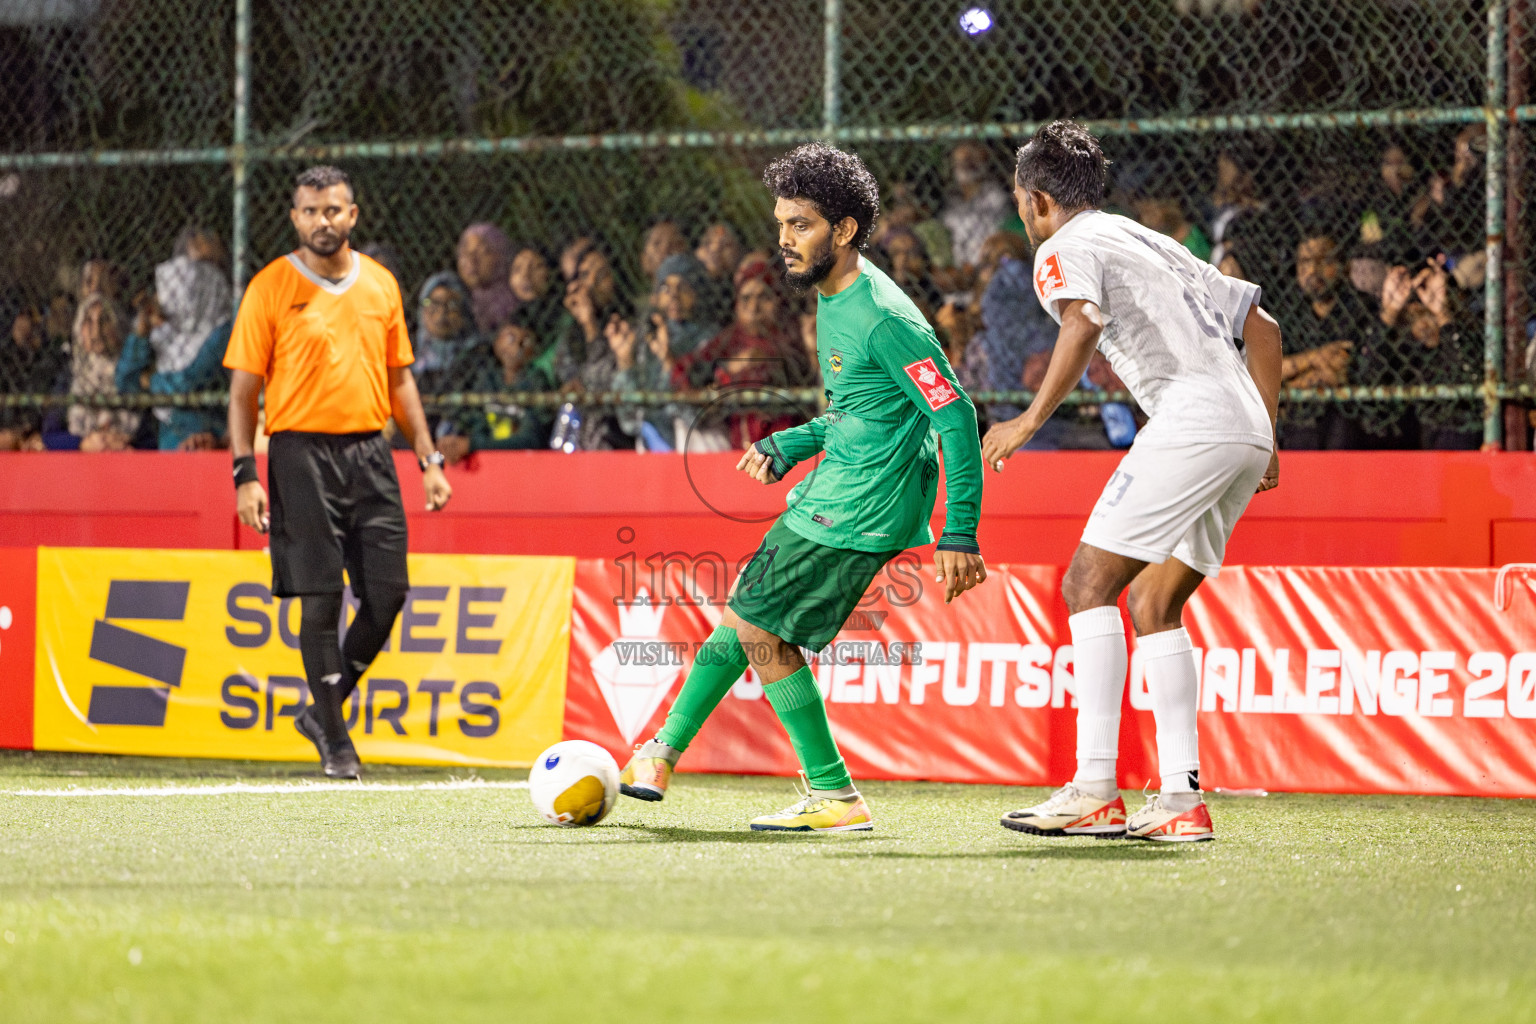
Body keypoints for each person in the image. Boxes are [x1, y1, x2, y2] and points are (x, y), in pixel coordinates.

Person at [618, 142, 988, 832]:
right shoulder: (834, 296)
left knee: (754, 629)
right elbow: (864, 410)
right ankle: (673, 757)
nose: (784, 240)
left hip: (857, 509)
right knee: (750, 626)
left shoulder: (882, 316)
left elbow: (957, 414)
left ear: (844, 231)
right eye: (782, 223)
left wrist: (961, 528)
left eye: (802, 225)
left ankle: (701, 762)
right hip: (836, 494)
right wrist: (793, 441)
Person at [982, 120, 1282, 843]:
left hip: (1192, 419)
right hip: (1241, 423)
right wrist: (1267, 436)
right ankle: (1181, 800)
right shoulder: (1150, 239)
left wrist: (1026, 421)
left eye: (1022, 202)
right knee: (1152, 600)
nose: (1023, 215)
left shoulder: (1063, 247)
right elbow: (1264, 325)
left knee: (1087, 584)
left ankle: (1093, 787)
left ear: (1039, 199)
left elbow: (1081, 322)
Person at [224, 165, 452, 779]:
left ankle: (322, 711)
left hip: (370, 455)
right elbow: (244, 391)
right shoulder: (271, 286)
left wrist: (427, 459)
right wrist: (245, 471)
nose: (321, 221)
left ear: (353, 215)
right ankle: (337, 743)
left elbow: (400, 377)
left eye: (333, 210)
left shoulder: (381, 284)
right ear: (294, 217)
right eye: (309, 211)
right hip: (298, 454)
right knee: (320, 599)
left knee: (388, 594)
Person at [456, 223, 517, 335]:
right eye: (464, 253)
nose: (471, 261)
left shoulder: (521, 291)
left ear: (501, 254)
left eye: (482, 252)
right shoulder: (461, 306)